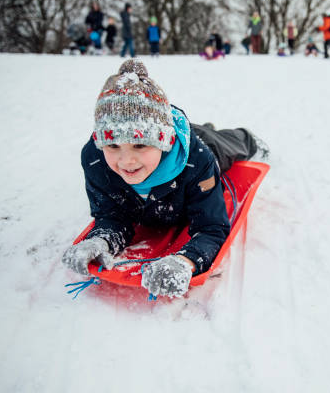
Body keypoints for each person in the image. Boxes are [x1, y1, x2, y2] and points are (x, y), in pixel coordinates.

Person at [61, 59, 266, 298]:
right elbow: (111, 215)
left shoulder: (199, 159)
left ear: (164, 141)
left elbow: (212, 227)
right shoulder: (95, 160)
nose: (126, 161)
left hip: (200, 144)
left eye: (139, 144)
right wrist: (100, 241)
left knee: (228, 142)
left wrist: (185, 261)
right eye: (113, 145)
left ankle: (245, 136)